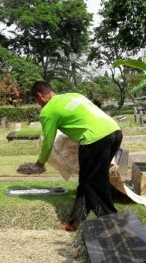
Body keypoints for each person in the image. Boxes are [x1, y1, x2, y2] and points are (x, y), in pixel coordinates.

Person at [31, 81, 123, 231]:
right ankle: (75, 223)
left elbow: (48, 141)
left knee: (93, 183)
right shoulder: (74, 95)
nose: (39, 104)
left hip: (94, 139)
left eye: (37, 101)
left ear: (40, 96)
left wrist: (40, 163)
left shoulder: (48, 110)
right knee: (87, 180)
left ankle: (112, 222)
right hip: (115, 132)